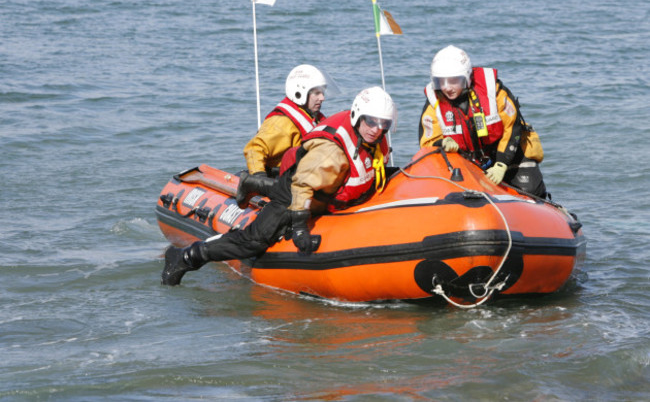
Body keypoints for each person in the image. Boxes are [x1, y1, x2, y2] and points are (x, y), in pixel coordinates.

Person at [162, 86, 396, 286]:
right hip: (296, 187)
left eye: (383, 123)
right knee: (253, 241)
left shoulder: (372, 138)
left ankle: (255, 183)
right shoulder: (331, 154)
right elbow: (302, 186)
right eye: (371, 121)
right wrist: (300, 228)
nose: (376, 128)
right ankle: (186, 257)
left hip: (322, 188)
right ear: (358, 116)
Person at [418, 45, 547, 198]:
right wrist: (442, 143)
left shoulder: (493, 91)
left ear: (466, 78)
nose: (447, 87)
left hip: (508, 154)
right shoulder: (435, 102)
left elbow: (512, 126)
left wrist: (501, 163)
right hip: (468, 160)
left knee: (531, 190)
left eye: (453, 81)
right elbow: (427, 140)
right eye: (441, 82)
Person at [236, 64, 329, 209]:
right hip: (282, 181)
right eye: (316, 93)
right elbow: (254, 150)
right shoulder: (282, 123)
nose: (322, 98)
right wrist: (261, 181)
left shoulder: (314, 118)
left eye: (322, 92)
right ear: (300, 93)